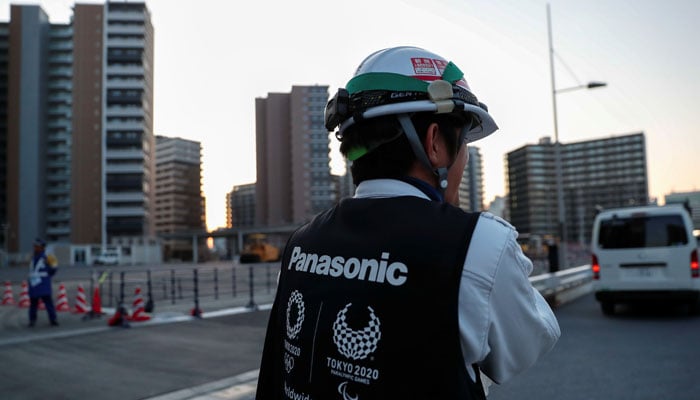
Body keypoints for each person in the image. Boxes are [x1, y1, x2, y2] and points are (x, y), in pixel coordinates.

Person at [255, 46, 560, 399]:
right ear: (433, 143)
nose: (463, 161)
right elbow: (528, 343)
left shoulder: (301, 243)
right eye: (462, 146)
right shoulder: (477, 244)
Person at [28, 237, 59, 327]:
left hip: (43, 282)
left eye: (37, 246)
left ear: (42, 247)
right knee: (33, 303)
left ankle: (53, 319)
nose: (35, 248)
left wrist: (47, 274)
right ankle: (32, 320)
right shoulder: (32, 257)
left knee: (48, 302)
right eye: (34, 246)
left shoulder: (48, 256)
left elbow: (54, 268)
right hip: (34, 283)